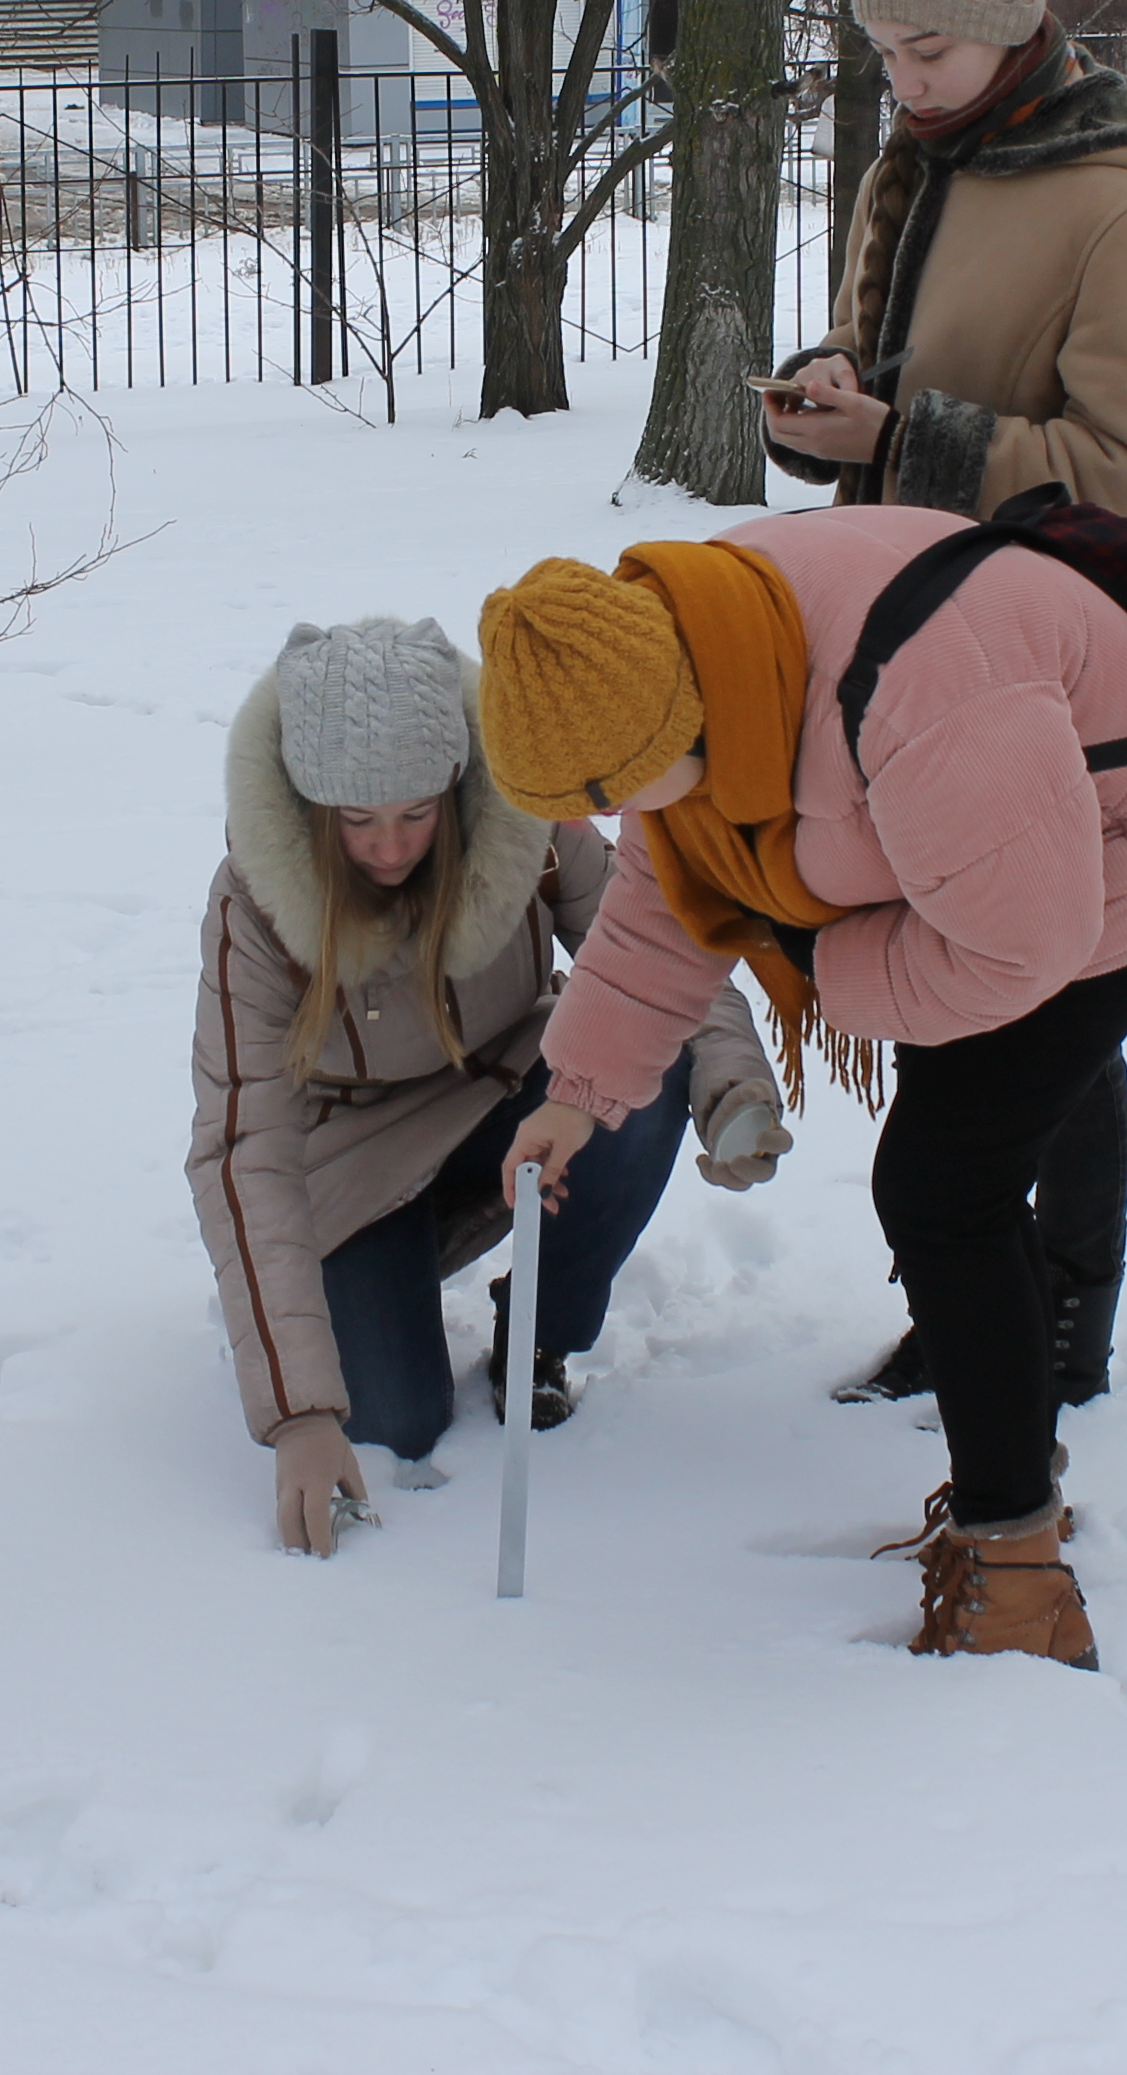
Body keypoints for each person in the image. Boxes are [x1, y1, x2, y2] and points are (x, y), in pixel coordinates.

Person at [469, 512, 1127, 1664]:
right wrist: (576, 1091)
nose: (622, 815)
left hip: (1113, 862)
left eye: (621, 787)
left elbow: (1023, 944)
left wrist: (823, 966)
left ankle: (1019, 1579)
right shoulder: (690, 658)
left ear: (674, 717)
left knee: (944, 1188)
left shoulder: (920, 696)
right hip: (960, 864)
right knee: (949, 1181)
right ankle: (1015, 1462)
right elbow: (665, 896)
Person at [760, 0, 1127, 1416]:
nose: (901, 81)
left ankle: (1056, 1317)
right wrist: (828, 399)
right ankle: (978, 1296)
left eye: (928, 52)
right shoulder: (926, 158)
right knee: (965, 984)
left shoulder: (1117, 198)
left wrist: (901, 434)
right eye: (880, 52)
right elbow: (892, 367)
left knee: (1045, 1001)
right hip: (908, 649)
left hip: (1048, 667)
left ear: (1015, 21)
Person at [189, 615, 784, 1557]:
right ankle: (379, 1281)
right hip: (355, 1154)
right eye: (358, 821)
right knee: (395, 1421)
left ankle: (539, 1335)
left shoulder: (530, 825)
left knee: (648, 1062)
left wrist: (733, 1086)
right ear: (309, 806)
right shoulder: (253, 903)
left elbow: (652, 955)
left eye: (416, 814)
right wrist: (298, 1416)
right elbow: (241, 1148)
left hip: (516, 1090)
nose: (390, 848)